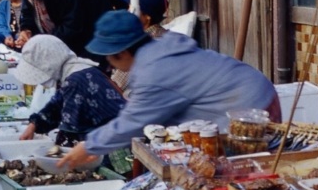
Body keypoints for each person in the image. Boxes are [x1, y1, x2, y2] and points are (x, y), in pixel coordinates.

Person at [59, 11, 279, 169]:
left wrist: (90, 145)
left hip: (249, 107)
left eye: (110, 57)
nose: (111, 64)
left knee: (235, 171)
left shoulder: (153, 72)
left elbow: (134, 122)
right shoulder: (159, 48)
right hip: (252, 91)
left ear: (122, 53)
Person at [13, 35, 126, 146]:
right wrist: (33, 125)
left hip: (112, 146)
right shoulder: (76, 69)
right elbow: (56, 105)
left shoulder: (75, 80)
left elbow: (71, 130)